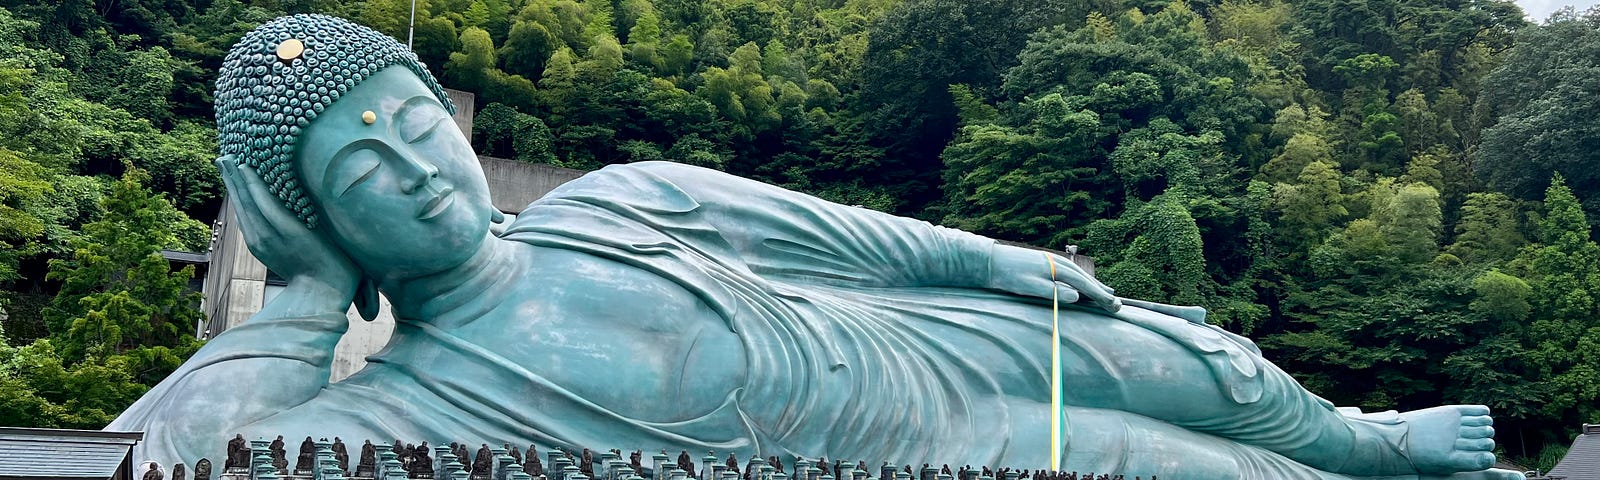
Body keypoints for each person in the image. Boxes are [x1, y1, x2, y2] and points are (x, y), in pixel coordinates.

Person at [110, 14, 1514, 480]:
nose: (416, 169)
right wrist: (294, 299)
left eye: (414, 122)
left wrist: (989, 261)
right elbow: (185, 464)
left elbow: (847, 233)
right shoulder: (410, 401)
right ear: (311, 211)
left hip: (923, 339)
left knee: (1197, 361)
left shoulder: (620, 195)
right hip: (922, 449)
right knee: (1209, 471)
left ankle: (1369, 439)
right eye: (356, 168)